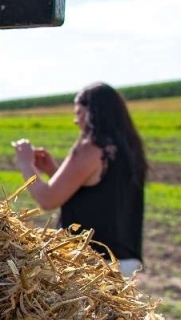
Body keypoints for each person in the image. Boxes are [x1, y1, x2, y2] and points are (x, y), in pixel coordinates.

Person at [10, 82, 147, 277]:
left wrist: (25, 163)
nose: (76, 121)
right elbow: (97, 194)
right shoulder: (127, 149)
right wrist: (52, 171)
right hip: (125, 261)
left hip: (93, 264)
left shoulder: (91, 148)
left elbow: (47, 199)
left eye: (77, 112)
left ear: (90, 113)